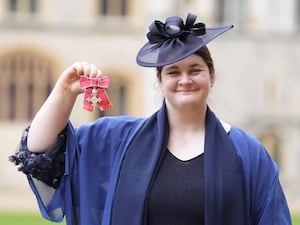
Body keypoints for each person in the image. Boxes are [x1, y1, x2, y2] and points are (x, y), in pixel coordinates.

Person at [10, 13, 292, 225]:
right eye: (173, 72)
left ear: (211, 76)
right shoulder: (118, 139)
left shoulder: (247, 152)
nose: (185, 80)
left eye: (195, 69)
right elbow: (39, 153)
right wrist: (63, 91)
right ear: (159, 80)